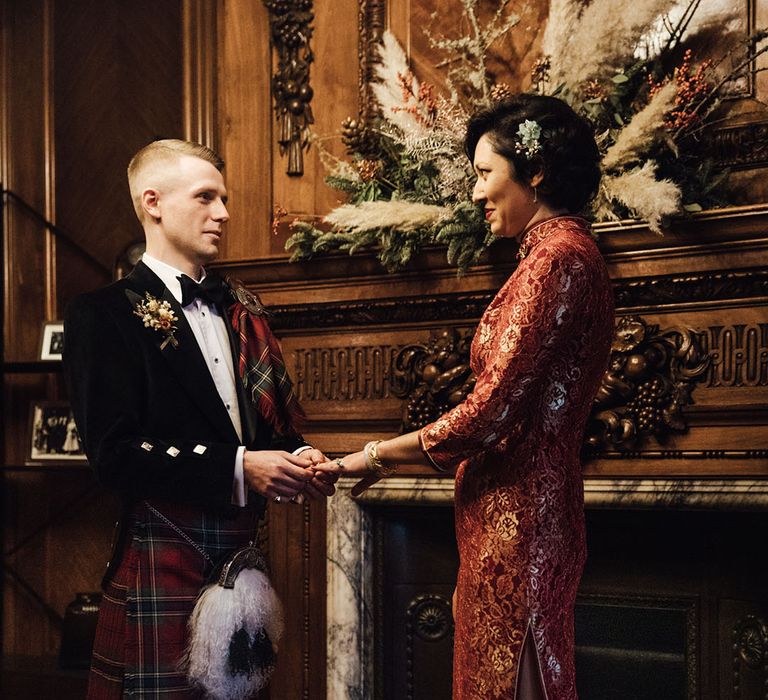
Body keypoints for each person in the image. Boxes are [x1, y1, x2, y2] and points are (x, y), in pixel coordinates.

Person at [327, 95, 614, 699]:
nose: (477, 193)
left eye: (486, 174)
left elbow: (490, 413)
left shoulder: (557, 259)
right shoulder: (551, 256)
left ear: (534, 172)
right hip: (512, 512)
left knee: (512, 682)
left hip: (521, 517)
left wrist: (375, 455)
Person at [63, 139, 336, 698]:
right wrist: (240, 467)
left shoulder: (243, 308)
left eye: (225, 198)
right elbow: (113, 455)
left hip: (240, 555)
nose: (224, 213)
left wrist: (295, 453)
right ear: (154, 202)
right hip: (164, 550)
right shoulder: (104, 314)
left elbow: (267, 425)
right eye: (206, 197)